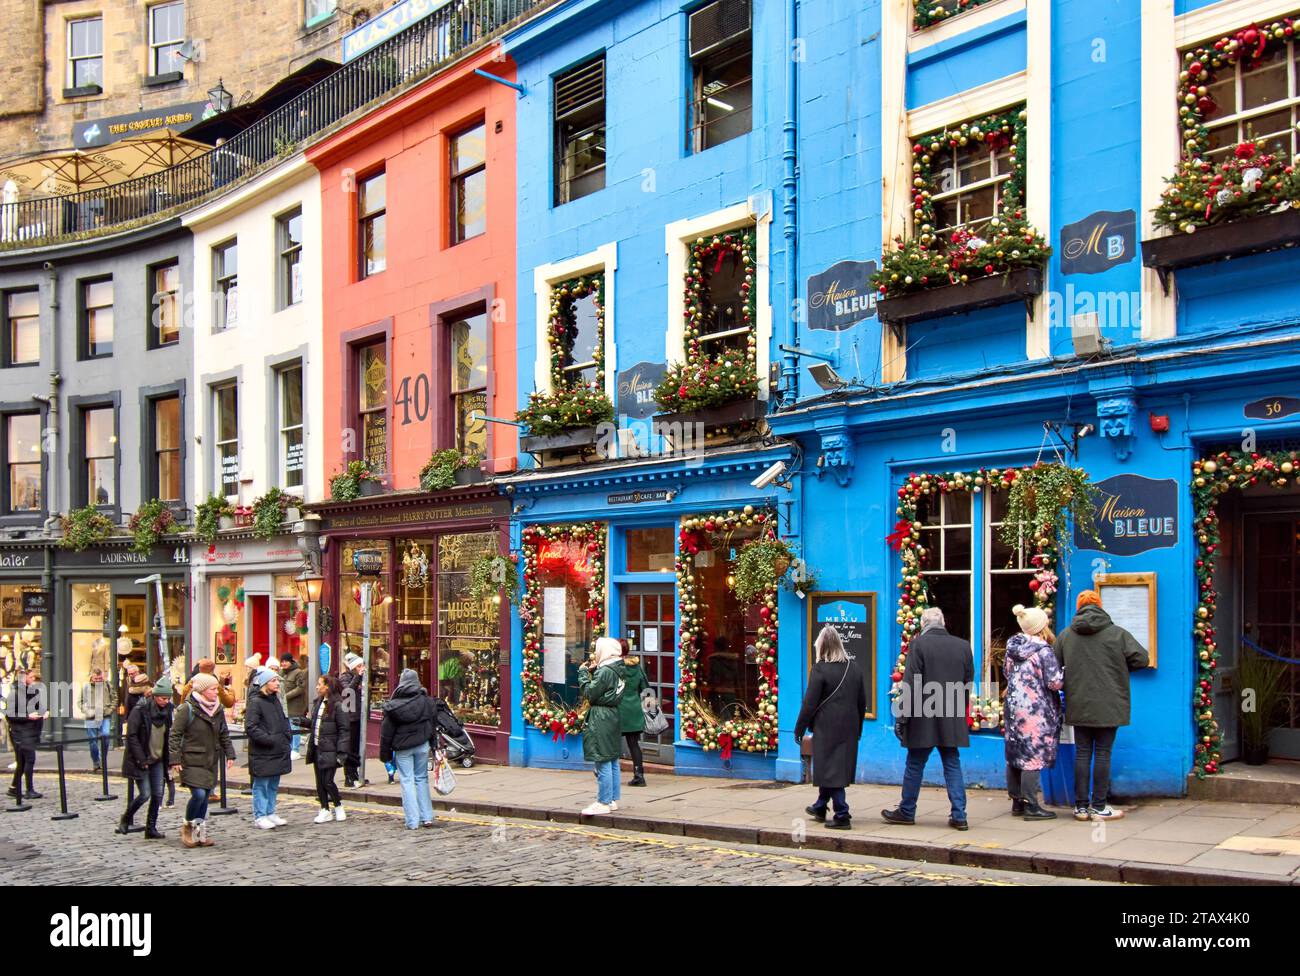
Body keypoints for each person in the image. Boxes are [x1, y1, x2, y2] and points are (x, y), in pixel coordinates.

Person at [1056, 589, 1150, 822]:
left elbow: (1053, 665)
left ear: (1079, 608)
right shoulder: (1117, 634)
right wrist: (1121, 668)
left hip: (1079, 702)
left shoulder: (1066, 635)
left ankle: (1080, 807)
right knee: (1103, 753)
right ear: (1100, 606)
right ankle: (1098, 806)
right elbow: (1142, 658)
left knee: (1082, 753)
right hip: (1110, 702)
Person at [884, 606, 973, 830]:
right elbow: (967, 683)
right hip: (950, 711)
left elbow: (911, 683)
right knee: (952, 763)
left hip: (923, 713)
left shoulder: (918, 644)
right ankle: (959, 815)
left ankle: (906, 811)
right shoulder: (963, 646)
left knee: (915, 764)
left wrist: (902, 717)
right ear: (943, 623)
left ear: (924, 624)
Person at [795, 625, 868, 829]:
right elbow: (862, 702)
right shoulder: (854, 667)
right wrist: (859, 727)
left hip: (827, 726)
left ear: (822, 646)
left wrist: (799, 728)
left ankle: (842, 814)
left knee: (831, 769)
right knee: (834, 767)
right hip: (850, 725)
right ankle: (820, 805)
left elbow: (809, 703)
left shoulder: (819, 669)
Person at [1003, 605, 1064, 821]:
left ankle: (1017, 801)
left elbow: (1007, 673)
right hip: (1036, 709)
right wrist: (1063, 674)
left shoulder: (1012, 648)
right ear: (1041, 627)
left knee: (1015, 753)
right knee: (1033, 756)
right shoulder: (1043, 651)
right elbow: (1055, 683)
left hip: (1013, 706)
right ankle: (1031, 805)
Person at [168, 672, 236, 849]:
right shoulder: (187, 709)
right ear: (203, 690)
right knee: (198, 794)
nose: (216, 692)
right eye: (213, 689)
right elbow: (175, 735)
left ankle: (200, 833)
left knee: (205, 796)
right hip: (191, 758)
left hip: (210, 758)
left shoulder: (217, 709)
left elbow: (223, 733)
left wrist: (230, 753)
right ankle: (187, 826)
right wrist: (174, 759)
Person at [379, 668, 436, 830]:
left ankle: (412, 821)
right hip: (422, 745)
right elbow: (432, 725)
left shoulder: (393, 706)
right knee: (422, 779)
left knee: (407, 781)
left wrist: (385, 755)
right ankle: (427, 817)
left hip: (403, 748)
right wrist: (435, 745)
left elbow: (386, 733)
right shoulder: (426, 701)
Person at [118, 676, 173, 839]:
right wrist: (141, 759)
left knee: (158, 794)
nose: (166, 701)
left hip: (158, 758)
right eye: (163, 698)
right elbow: (132, 736)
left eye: (168, 698)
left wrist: (170, 759)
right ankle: (126, 818)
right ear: (155, 696)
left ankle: (151, 828)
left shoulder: (168, 710)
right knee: (145, 794)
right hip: (141, 758)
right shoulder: (140, 709)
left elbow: (169, 734)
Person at [578, 637, 626, 817]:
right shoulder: (619, 668)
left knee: (603, 759)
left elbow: (590, 693)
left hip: (601, 716)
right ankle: (612, 799)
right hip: (613, 714)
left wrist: (583, 674)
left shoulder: (605, 671)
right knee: (612, 758)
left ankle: (603, 802)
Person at [245, 667, 292, 829]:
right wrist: (269, 740)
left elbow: (283, 720)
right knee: (261, 784)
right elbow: (251, 727)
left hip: (277, 749)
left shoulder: (275, 700)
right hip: (263, 751)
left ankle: (270, 812)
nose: (277, 683)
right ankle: (260, 815)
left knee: (273, 783)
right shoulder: (256, 702)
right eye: (273, 680)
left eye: (277, 680)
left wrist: (286, 736)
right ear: (265, 684)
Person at [306, 673, 350, 823]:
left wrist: (342, 752)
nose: (317, 687)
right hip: (318, 747)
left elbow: (344, 730)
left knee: (328, 781)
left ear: (328, 687)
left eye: (320, 684)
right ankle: (324, 809)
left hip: (331, 748)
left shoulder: (338, 705)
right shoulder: (318, 703)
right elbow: (315, 724)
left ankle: (338, 805)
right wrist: (303, 722)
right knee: (319, 782)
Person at [4, 669, 44, 799]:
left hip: (31, 731)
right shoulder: (14, 694)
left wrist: (45, 712)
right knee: (29, 759)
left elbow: (39, 707)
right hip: (19, 733)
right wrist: (28, 717)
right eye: (31, 677)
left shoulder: (33, 692)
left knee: (21, 762)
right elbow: (10, 716)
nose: (33, 679)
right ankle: (29, 790)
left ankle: (13, 788)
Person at [614, 642, 649, 787]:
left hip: (617, 709)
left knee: (611, 743)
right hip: (634, 709)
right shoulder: (636, 667)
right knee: (634, 744)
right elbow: (645, 688)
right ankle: (639, 775)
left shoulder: (614, 668)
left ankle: (608, 773)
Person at [79, 668, 118, 772]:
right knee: (93, 741)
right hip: (91, 717)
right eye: (96, 679)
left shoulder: (108, 686)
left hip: (105, 716)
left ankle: (103, 759)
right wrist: (87, 711)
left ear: (103, 677)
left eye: (100, 678)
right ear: (92, 677)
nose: (98, 680)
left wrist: (109, 710)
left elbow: (115, 699)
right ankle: (96, 761)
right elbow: (81, 702)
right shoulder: (86, 687)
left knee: (105, 735)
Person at [340, 653, 366, 787]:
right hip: (350, 718)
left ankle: (355, 774)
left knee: (356, 747)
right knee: (350, 748)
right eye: (359, 666)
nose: (362, 668)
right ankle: (349, 776)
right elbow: (348, 692)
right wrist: (358, 676)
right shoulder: (345, 677)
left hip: (358, 716)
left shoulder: (359, 678)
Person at [280, 652, 307, 759]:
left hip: (294, 705)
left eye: (286, 661)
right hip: (283, 705)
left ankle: (295, 750)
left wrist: (285, 696)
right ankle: (288, 748)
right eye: (282, 661)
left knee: (294, 726)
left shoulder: (298, 672)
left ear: (291, 661)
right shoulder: (281, 672)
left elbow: (300, 688)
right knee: (286, 727)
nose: (284, 663)